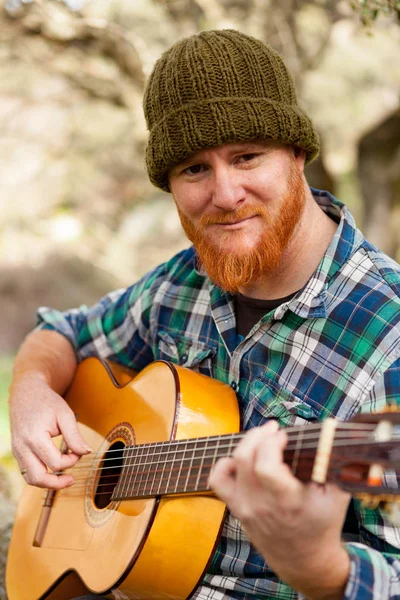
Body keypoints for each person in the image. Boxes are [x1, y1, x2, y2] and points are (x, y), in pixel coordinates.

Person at [9, 29, 400, 600]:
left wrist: (321, 568)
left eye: (246, 156)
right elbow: (62, 333)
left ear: (297, 153)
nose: (225, 193)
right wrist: (30, 389)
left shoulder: (387, 328)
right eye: (194, 169)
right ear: (168, 184)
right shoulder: (181, 281)